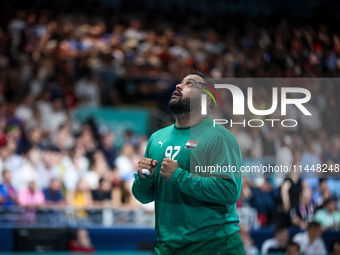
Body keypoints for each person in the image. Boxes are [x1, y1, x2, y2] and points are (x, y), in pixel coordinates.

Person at [132, 70, 244, 254]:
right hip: (167, 248)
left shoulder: (219, 137)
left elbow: (229, 191)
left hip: (212, 248)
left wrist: (178, 176)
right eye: (181, 82)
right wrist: (143, 178)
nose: (179, 85)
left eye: (190, 84)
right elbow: (143, 196)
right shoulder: (156, 138)